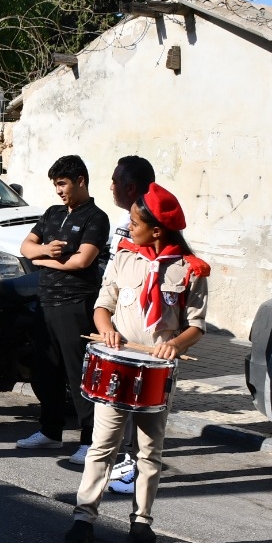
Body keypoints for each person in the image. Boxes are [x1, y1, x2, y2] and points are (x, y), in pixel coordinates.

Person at [68, 183, 208, 543]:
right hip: (118, 365)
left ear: (157, 230)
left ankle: (142, 519)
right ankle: (84, 516)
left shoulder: (190, 270)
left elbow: (196, 325)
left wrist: (175, 345)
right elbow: (103, 306)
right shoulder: (123, 258)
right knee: (103, 446)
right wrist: (106, 331)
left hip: (156, 371)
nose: (129, 227)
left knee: (150, 450)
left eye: (134, 221)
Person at [15, 155, 109, 463]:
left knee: (77, 374)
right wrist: (42, 250)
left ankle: (89, 439)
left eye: (62, 183)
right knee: (45, 371)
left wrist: (40, 261)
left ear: (80, 180)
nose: (58, 191)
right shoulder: (53, 213)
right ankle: (50, 432)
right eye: (55, 184)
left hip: (76, 304)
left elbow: (83, 261)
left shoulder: (96, 217)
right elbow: (25, 247)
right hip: (45, 301)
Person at [100, 155, 159, 495]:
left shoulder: (146, 221)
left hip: (142, 328)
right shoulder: (127, 218)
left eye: (115, 180)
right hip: (118, 319)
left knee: (140, 401)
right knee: (120, 398)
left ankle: (138, 466)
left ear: (131, 187)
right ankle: (129, 456)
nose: (110, 186)